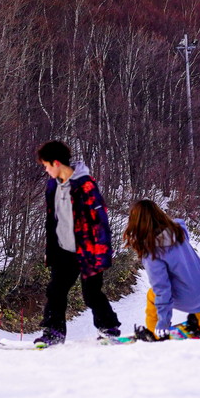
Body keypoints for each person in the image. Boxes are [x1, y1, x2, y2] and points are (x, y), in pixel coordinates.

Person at [35, 140, 120, 346]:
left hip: (87, 250)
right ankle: (54, 332)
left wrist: (100, 253)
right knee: (56, 290)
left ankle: (108, 328)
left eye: (46, 165)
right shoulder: (53, 186)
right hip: (63, 250)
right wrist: (51, 249)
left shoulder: (85, 185)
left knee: (91, 293)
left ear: (56, 163)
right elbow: (51, 219)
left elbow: (100, 222)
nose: (46, 170)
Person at [123, 199, 200, 341]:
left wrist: (163, 322)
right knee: (191, 287)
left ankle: (153, 333)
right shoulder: (178, 231)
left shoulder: (153, 252)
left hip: (190, 297)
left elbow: (162, 289)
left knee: (153, 295)